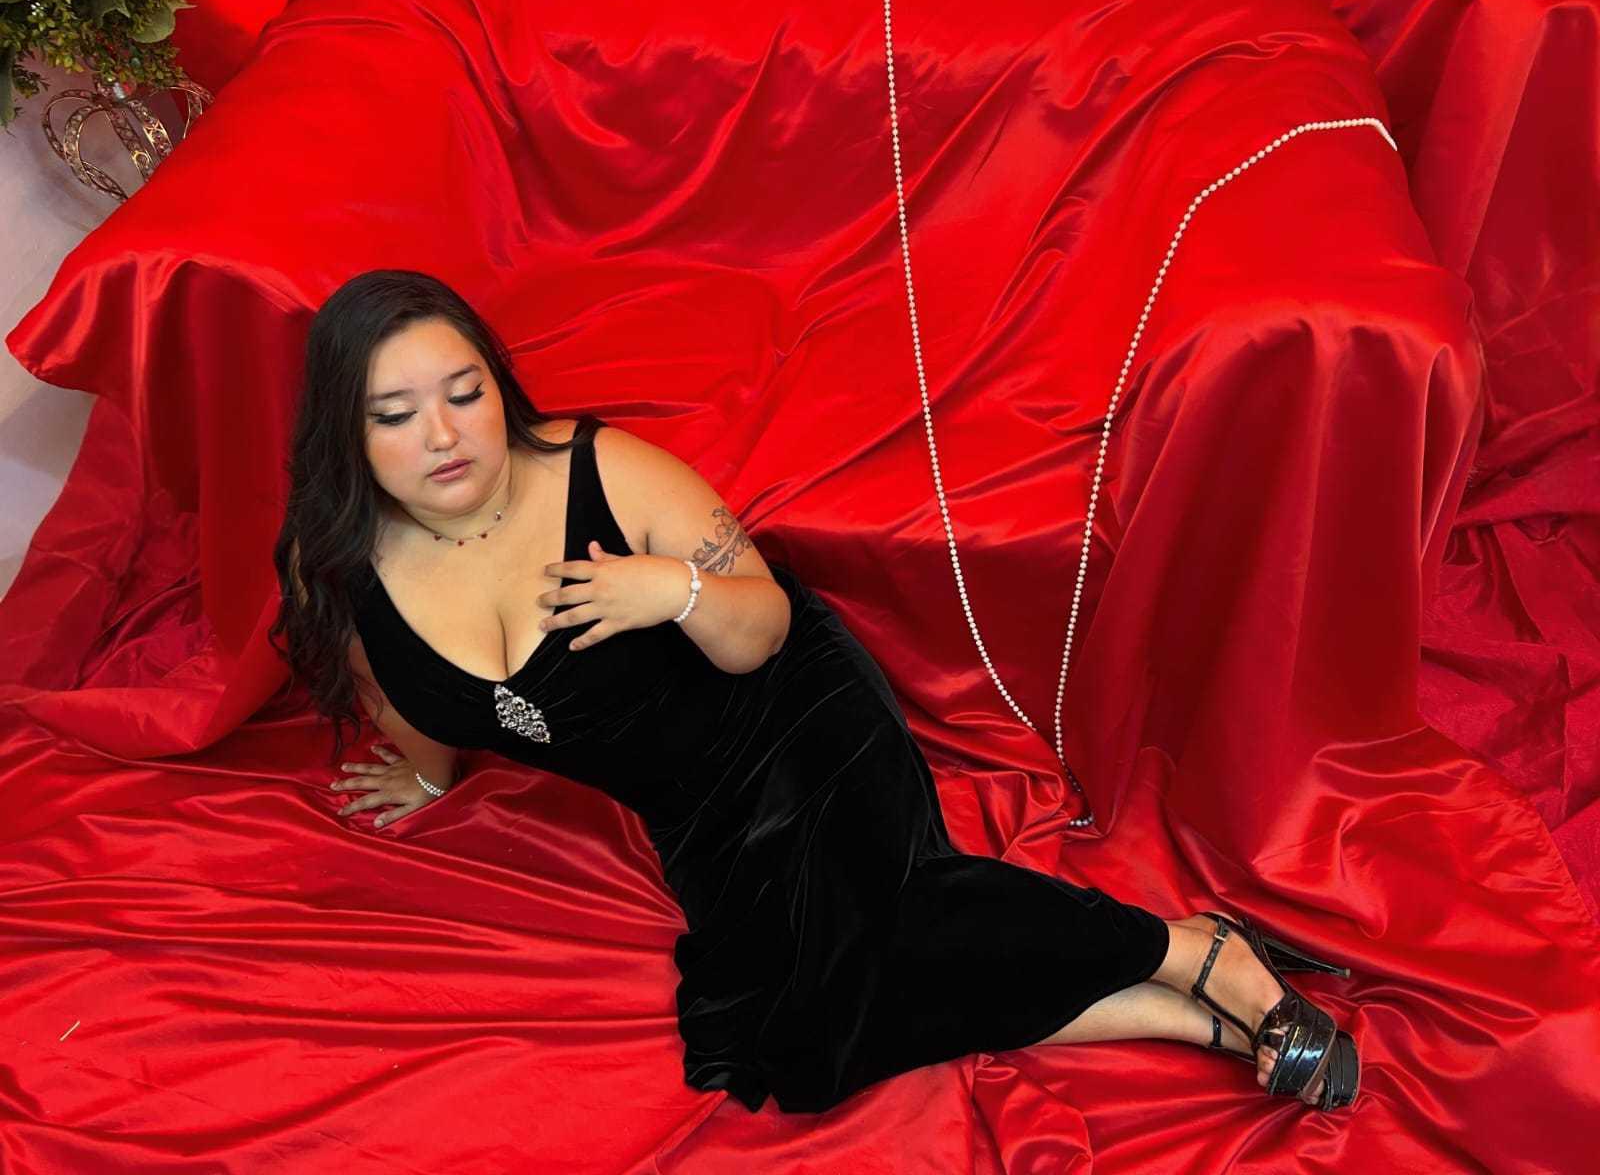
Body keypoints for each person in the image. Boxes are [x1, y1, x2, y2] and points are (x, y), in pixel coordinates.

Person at [268, 268, 1359, 1115]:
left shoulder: (601, 471)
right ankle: (1201, 1015)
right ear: (347, 436)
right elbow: (417, 695)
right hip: (695, 814)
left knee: (895, 925)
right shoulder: (349, 574)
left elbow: (763, 629)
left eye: (464, 394)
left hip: (794, 715)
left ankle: (1189, 957)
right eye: (395, 414)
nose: (445, 435)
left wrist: (671, 589)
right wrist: (427, 776)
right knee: (793, 1039)